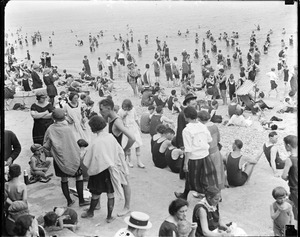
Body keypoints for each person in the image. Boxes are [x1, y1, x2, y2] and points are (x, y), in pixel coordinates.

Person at [81, 116, 128, 222]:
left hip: (98, 171)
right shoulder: (111, 137)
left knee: (95, 193)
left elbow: (88, 160)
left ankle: (91, 212)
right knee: (110, 194)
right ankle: (109, 216)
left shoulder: (95, 142)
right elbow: (119, 152)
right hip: (111, 171)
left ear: (92, 128)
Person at [43, 108, 90, 207]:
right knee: (79, 176)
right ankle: (81, 200)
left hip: (59, 159)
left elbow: (46, 146)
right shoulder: (67, 129)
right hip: (71, 156)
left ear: (53, 118)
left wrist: (53, 151)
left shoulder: (50, 129)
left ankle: (69, 201)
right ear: (64, 117)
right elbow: (73, 144)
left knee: (64, 179)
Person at [99, 98, 135, 217]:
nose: (100, 112)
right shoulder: (110, 117)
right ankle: (98, 202)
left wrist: (124, 150)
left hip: (117, 155)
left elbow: (132, 138)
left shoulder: (117, 121)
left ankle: (127, 207)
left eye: (102, 109)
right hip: (110, 153)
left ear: (109, 108)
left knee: (124, 181)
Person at [175, 106, 218, 200]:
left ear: (186, 117)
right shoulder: (203, 126)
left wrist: (185, 163)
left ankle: (211, 197)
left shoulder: (186, 130)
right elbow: (209, 140)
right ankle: (187, 195)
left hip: (194, 158)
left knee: (193, 179)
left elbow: (188, 149)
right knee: (207, 178)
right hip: (205, 156)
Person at [198, 111, 225, 190]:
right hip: (216, 151)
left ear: (200, 119)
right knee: (218, 174)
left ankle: (208, 194)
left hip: (208, 153)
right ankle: (218, 194)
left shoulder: (203, 128)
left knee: (208, 175)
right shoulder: (214, 126)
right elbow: (218, 139)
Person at [118, 99, 145, 168]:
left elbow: (135, 118)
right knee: (128, 145)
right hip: (126, 128)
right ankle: (130, 161)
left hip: (133, 127)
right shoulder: (120, 111)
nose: (125, 109)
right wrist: (123, 116)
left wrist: (139, 126)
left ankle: (139, 161)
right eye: (124, 107)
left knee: (137, 144)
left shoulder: (133, 109)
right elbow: (118, 120)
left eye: (127, 107)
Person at [281, 135, 298, 221]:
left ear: (288, 146)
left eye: (284, 145)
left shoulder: (289, 160)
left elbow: (283, 176)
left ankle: (292, 229)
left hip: (295, 189)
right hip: (294, 191)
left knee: (294, 212)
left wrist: (288, 178)